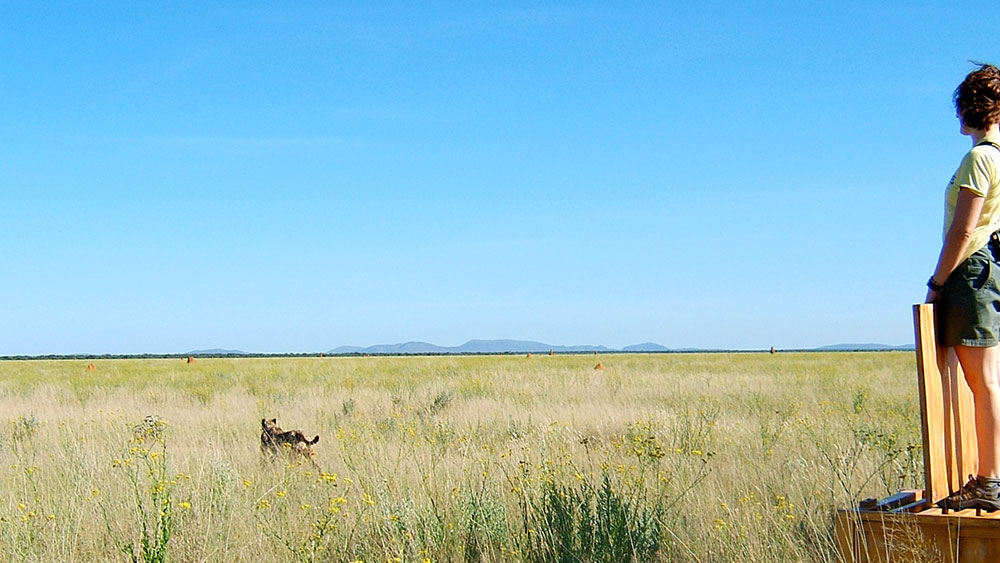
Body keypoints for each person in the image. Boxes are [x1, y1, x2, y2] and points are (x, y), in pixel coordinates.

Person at [926, 62, 1000, 511]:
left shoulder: (979, 158)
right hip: (991, 266)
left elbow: (961, 231)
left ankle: (988, 480)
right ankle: (991, 476)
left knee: (982, 380)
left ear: (972, 109)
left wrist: (936, 283)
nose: (958, 118)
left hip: (970, 271)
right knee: (989, 379)